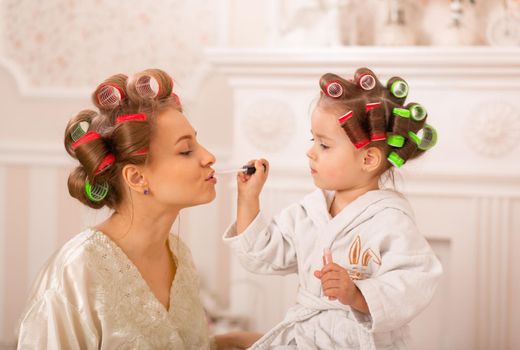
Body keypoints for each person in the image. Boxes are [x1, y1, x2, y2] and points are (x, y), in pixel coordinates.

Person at [17, 69, 260, 349]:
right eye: (186, 150)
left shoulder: (178, 255)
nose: (209, 157)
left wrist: (239, 342)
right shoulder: (76, 272)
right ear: (136, 177)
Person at [223, 67, 442, 349]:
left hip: (359, 341)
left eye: (324, 145)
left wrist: (358, 295)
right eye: (313, 140)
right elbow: (262, 254)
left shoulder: (391, 220)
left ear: (368, 160)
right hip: (306, 337)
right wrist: (248, 198)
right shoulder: (310, 210)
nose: (311, 152)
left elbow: (415, 281)